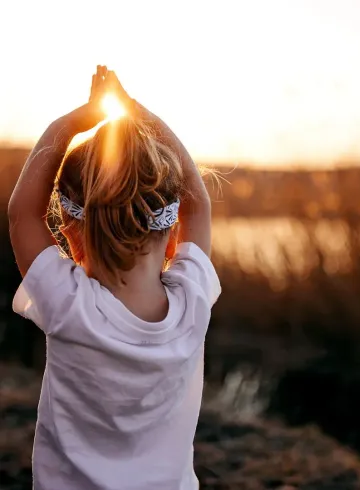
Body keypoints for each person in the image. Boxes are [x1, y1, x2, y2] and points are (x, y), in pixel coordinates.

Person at [8, 66, 221, 490]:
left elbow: (21, 213)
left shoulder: (69, 305)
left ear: (69, 227)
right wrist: (140, 115)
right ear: (170, 229)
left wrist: (71, 124)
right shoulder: (193, 302)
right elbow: (198, 206)